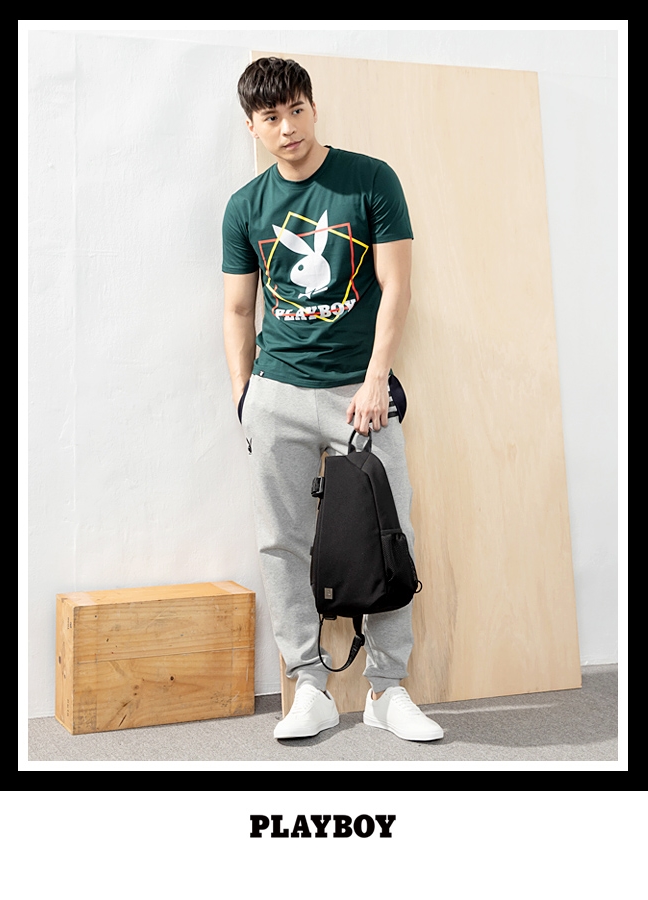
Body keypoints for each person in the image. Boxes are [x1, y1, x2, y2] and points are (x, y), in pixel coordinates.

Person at [222, 57, 443, 743]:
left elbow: (397, 285)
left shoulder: (369, 179)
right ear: (253, 127)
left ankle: (386, 690)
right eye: (271, 118)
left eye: (296, 110)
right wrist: (245, 397)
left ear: (313, 108)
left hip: (360, 395)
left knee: (389, 537)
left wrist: (377, 378)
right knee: (281, 541)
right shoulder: (245, 207)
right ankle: (309, 689)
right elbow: (238, 309)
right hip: (277, 394)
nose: (287, 127)